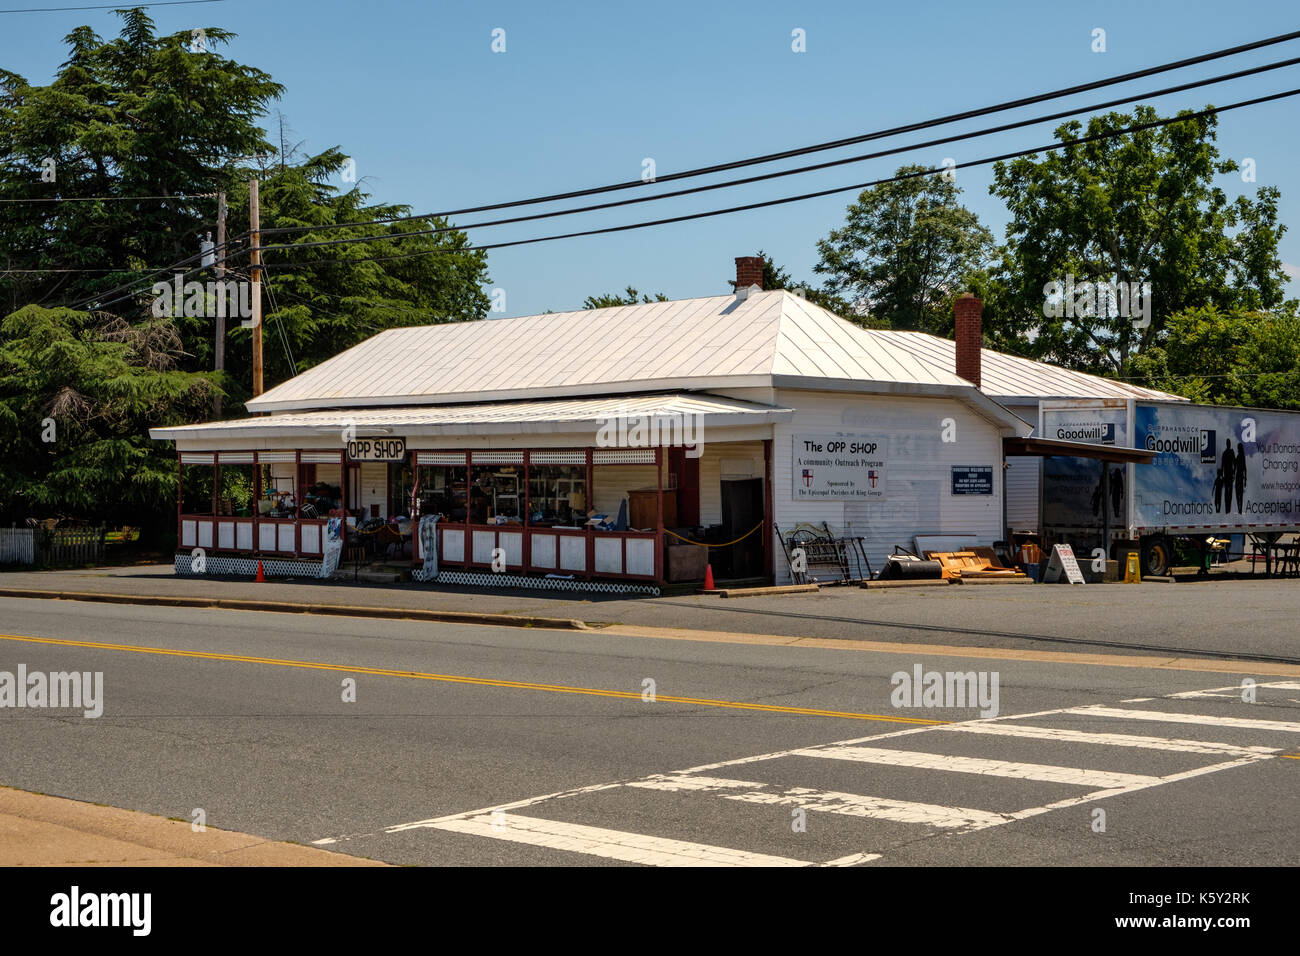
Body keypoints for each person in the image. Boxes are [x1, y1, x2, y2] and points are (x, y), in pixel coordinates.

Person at [1221, 439, 1235, 511]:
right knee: (1227, 491)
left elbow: (1234, 463)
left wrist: (1234, 474)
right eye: (1228, 443)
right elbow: (1222, 465)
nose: (1229, 444)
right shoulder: (1227, 453)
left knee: (1228, 491)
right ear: (1227, 444)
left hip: (1228, 474)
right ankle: (1227, 508)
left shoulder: (1225, 453)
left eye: (1229, 443)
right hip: (1227, 474)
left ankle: (1228, 508)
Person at [1235, 441, 1247, 513]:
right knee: (1238, 492)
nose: (1238, 449)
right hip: (1239, 476)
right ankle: (1239, 507)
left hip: (1239, 476)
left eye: (1238, 448)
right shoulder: (1239, 456)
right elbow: (1235, 466)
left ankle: (1240, 508)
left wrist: (1245, 479)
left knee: (1239, 492)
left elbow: (1245, 468)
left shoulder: (1241, 456)